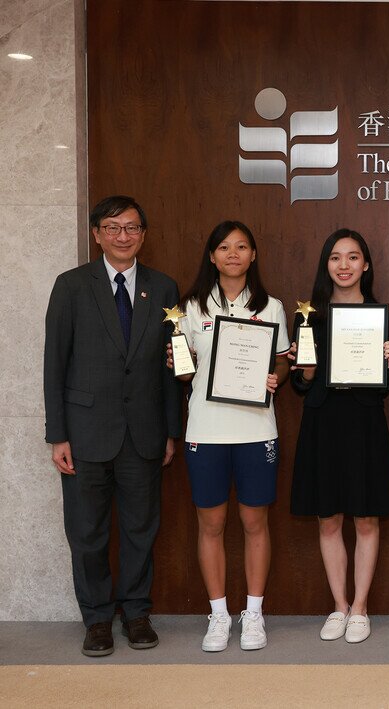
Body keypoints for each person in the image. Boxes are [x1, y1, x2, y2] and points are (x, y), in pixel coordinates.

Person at [44, 195, 181, 656]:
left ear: (144, 234)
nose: (124, 236)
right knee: (87, 531)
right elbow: (54, 364)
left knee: (142, 528)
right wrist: (57, 434)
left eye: (133, 227)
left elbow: (170, 366)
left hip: (143, 432)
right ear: (97, 233)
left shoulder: (163, 288)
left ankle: (137, 613)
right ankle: (98, 619)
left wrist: (169, 431)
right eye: (114, 227)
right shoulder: (71, 285)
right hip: (84, 433)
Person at [171, 220, 290, 652]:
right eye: (224, 247)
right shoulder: (191, 307)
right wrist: (177, 359)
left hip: (257, 431)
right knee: (212, 523)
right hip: (206, 428)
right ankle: (218, 615)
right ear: (212, 255)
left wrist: (275, 377)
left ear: (253, 255)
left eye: (242, 247)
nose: (233, 254)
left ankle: (253, 614)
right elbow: (184, 372)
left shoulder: (272, 306)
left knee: (255, 521)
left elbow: (281, 364)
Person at [289, 229, 389, 644]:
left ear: (365, 265)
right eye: (336, 257)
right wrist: (308, 368)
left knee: (367, 518)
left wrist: (388, 361)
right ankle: (338, 605)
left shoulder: (382, 317)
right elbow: (301, 386)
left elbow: (387, 385)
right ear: (327, 265)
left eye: (353, 257)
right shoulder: (308, 316)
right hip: (323, 422)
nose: (344, 265)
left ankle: (361, 607)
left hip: (364, 423)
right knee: (329, 517)